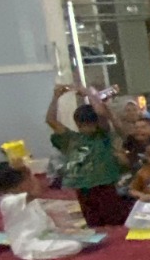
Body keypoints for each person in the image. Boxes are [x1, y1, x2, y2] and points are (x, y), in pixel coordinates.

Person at [45, 84, 128, 226]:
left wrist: (88, 93)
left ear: (96, 123)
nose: (86, 128)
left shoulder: (104, 137)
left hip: (105, 185)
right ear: (77, 124)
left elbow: (102, 113)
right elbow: (51, 120)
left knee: (115, 222)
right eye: (82, 125)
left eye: (90, 124)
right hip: (83, 188)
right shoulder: (72, 138)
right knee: (94, 224)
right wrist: (56, 97)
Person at [0, 161, 86, 260]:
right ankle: (35, 255)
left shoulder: (24, 198)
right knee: (75, 246)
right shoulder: (10, 201)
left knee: (82, 239)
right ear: (19, 185)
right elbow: (37, 192)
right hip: (29, 245)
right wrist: (27, 171)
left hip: (45, 235)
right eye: (27, 180)